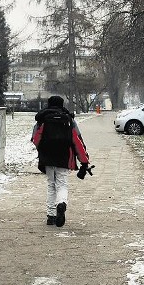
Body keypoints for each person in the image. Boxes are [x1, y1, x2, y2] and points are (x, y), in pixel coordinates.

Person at [32, 96, 90, 227]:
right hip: (64, 157)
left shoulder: (42, 120)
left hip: (47, 157)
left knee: (51, 185)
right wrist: (84, 162)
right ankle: (61, 204)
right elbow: (77, 141)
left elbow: (36, 139)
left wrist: (43, 149)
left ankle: (51, 216)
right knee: (62, 184)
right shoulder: (69, 120)